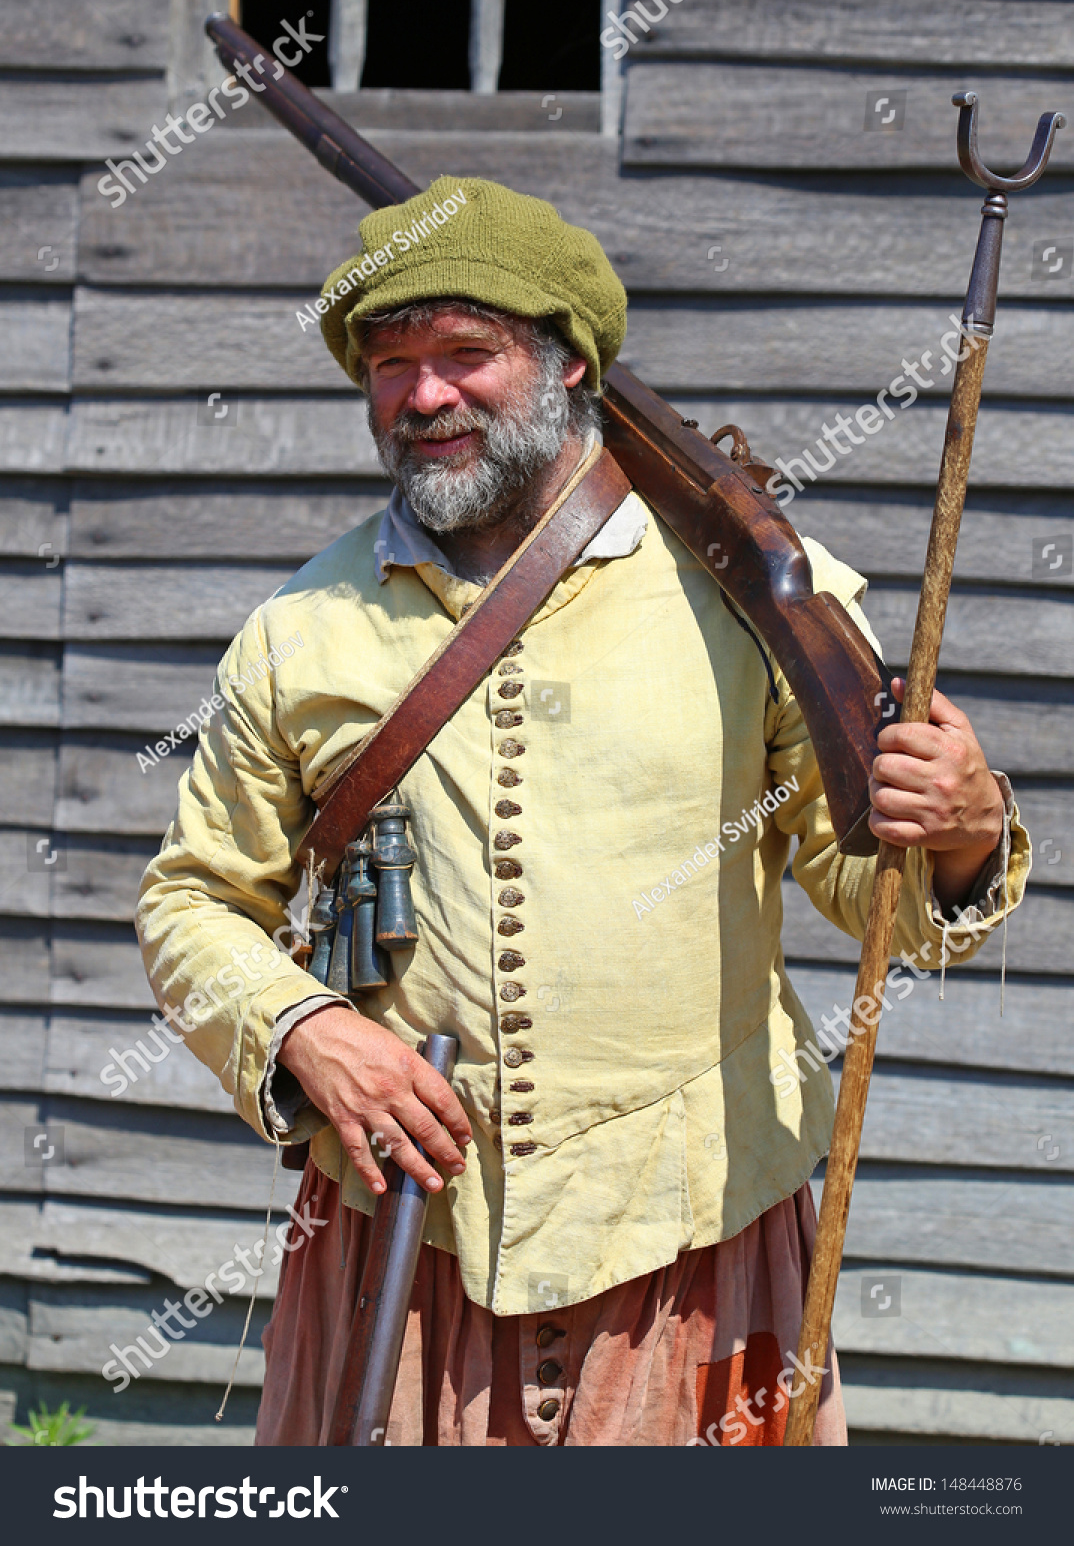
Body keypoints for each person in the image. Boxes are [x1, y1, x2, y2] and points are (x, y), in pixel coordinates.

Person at [136, 176, 1030, 1447]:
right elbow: (193, 898)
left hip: (695, 1257)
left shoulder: (755, 593)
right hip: (402, 1253)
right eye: (391, 364)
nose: (425, 396)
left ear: (568, 366)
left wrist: (962, 825)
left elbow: (864, 875)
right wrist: (300, 1028)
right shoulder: (299, 633)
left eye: (466, 355)